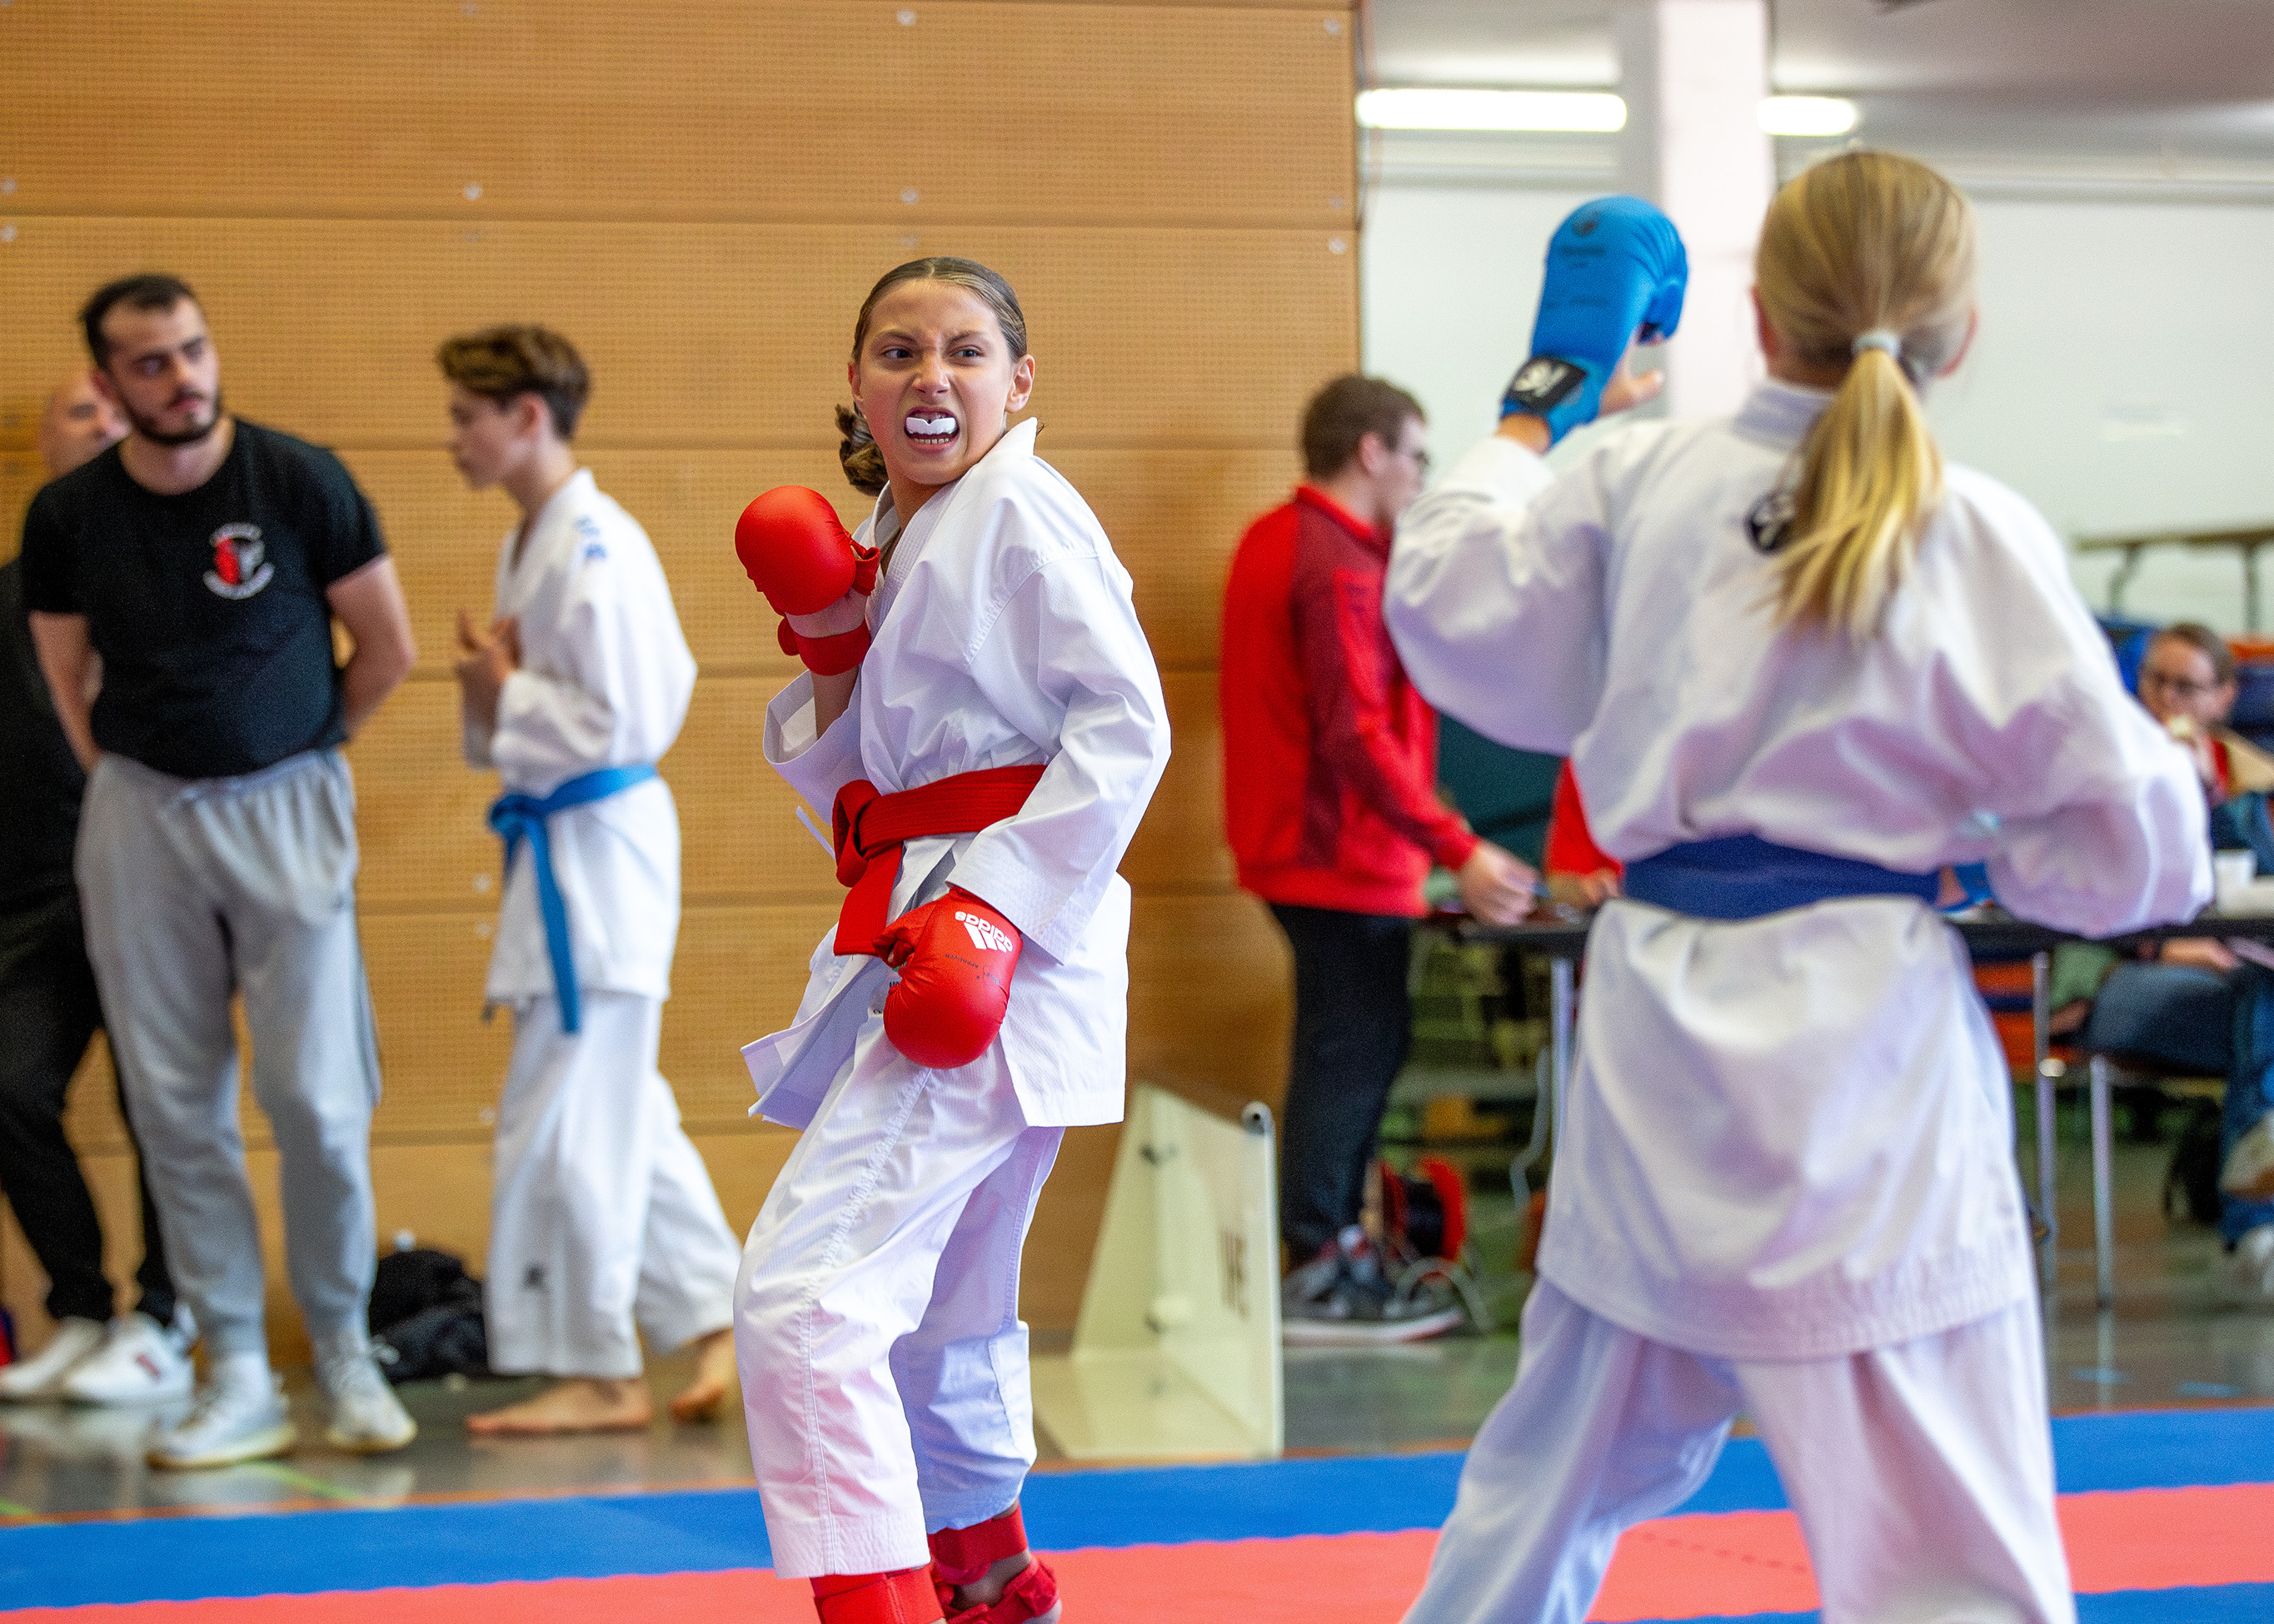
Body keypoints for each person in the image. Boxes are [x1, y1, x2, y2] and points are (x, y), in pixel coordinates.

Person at [1384, 157, 2205, 1624]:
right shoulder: (1971, 527)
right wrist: (1984, 848)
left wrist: (1539, 402)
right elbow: (2141, 849)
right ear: (1960, 334)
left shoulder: (1640, 480)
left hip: (1654, 1024)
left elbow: (1449, 609)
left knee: (1545, 1486)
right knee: (1949, 1554)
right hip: (1867, 1044)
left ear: (1759, 316)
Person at [731, 257, 1169, 1624]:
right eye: (900, 352)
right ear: (857, 385)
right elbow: (870, 796)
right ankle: (987, 1576)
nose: (932, 378)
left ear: (1017, 382)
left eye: (966, 352)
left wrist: (996, 906)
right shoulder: (899, 539)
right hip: (938, 931)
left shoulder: (1021, 511)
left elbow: (1128, 727)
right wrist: (831, 647)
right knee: (943, 1310)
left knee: (807, 1298)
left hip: (994, 945)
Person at [21, 274, 421, 1467]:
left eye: (193, 349)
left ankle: (343, 1351)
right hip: (142, 816)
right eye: (151, 362)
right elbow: (65, 680)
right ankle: (235, 1366)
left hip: (288, 804)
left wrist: (298, 754)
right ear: (110, 383)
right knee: (176, 1108)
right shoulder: (69, 514)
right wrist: (140, 784)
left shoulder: (298, 479)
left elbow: (386, 648)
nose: (183, 377)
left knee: (319, 1104)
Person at [437, 325, 744, 1434]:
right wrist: (497, 694)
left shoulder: (594, 544)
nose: (452, 440)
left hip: (598, 853)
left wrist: (502, 695)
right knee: (619, 1105)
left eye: (466, 417)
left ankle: (601, 1368)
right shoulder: (536, 538)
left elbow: (626, 719)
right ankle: (717, 1314)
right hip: (568, 846)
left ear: (527, 416)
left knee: (561, 1121)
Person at [1219, 373, 1535, 1342]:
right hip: (1340, 859)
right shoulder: (1342, 565)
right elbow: (1356, 730)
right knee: (1354, 1052)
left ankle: (1331, 1251)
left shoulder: (1277, 540)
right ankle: (1322, 1265)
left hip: (1303, 849)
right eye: (1416, 457)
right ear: (1371, 452)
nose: (1420, 479)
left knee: (1346, 1046)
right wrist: (1458, 847)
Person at [0, 371, 196, 1407]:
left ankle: (166, 1317)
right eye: (84, 411)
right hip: (36, 894)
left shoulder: (173, 582)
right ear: (45, 445)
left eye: (122, 412)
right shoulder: (10, 597)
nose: (108, 424)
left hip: (157, 885)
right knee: (12, 1085)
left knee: (161, 1100)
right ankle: (79, 1306)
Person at [2067, 622, 2274, 1303]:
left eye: (2187, 687)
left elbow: (2253, 887)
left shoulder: (2250, 782)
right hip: (2124, 981)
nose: (2166, 699)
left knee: (2264, 1000)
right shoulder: (2097, 766)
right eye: (2154, 681)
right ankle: (2255, 1224)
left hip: (2231, 979)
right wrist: (2159, 946)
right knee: (2265, 1006)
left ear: (2224, 698)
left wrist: (2215, 801)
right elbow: (2062, 885)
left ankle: (2257, 1234)